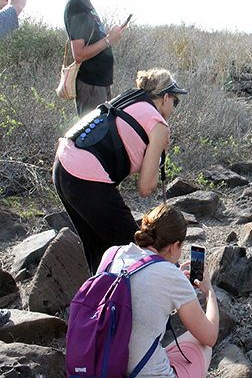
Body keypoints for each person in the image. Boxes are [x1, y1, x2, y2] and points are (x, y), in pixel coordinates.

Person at [53, 68, 187, 274]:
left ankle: (98, 301)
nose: (173, 108)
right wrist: (160, 155)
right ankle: (170, 290)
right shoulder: (159, 125)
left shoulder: (130, 100)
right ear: (165, 97)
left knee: (99, 251)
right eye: (175, 102)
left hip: (63, 165)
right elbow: (145, 187)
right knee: (138, 248)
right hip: (86, 177)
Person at [104, 204, 219, 378]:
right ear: (174, 246)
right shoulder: (171, 276)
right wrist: (209, 292)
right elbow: (209, 337)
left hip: (103, 365)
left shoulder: (112, 254)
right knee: (202, 346)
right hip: (143, 373)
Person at [64, 0, 127, 118]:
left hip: (99, 84)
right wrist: (108, 40)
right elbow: (78, 54)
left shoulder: (85, 3)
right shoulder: (76, 5)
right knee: (94, 139)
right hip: (90, 86)